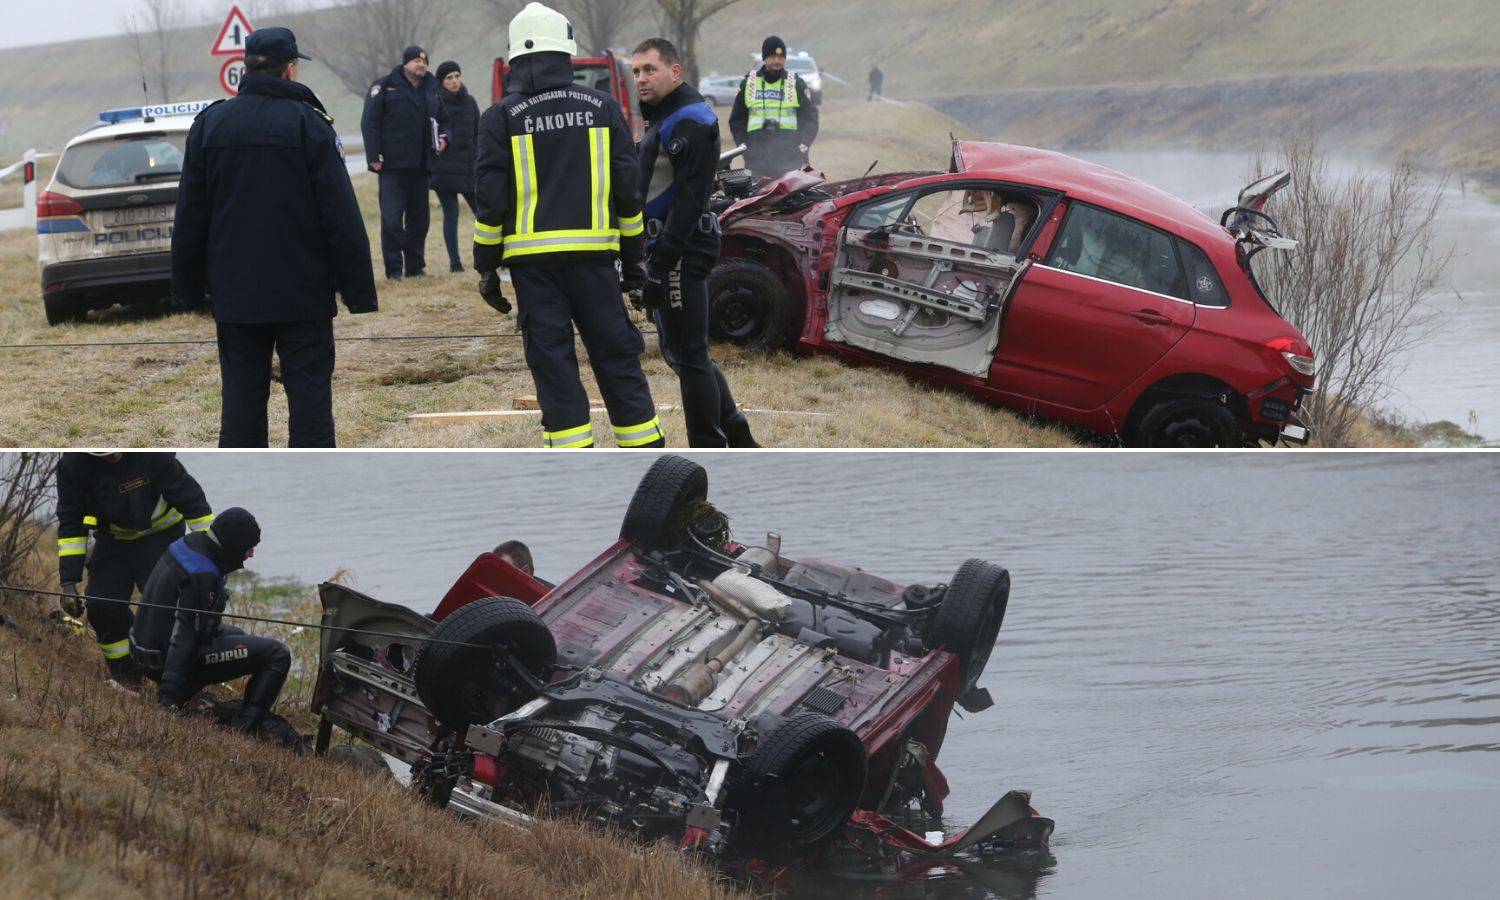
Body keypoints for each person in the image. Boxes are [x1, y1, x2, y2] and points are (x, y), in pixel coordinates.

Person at [172, 26, 377, 448]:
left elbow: (190, 219)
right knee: (311, 411)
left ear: (246, 68)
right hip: (304, 296)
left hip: (236, 298)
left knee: (241, 413)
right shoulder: (310, 124)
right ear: (290, 69)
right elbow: (340, 214)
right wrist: (358, 293)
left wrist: (188, 293)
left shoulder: (210, 126)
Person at [472, 2, 664, 449]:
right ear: (568, 53)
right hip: (596, 263)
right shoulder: (602, 107)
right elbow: (628, 197)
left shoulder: (500, 118)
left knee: (554, 367)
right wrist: (635, 265)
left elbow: (490, 203)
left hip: (533, 271)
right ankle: (644, 457)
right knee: (617, 359)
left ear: (515, 59)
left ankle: (574, 464)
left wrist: (486, 269)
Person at [631, 38, 758, 448]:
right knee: (688, 353)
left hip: (681, 247)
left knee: (688, 353)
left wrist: (661, 264)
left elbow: (686, 200)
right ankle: (737, 436)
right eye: (636, 72)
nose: (641, 79)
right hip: (672, 246)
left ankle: (709, 444)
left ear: (675, 71)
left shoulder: (689, 119)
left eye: (650, 69)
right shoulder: (666, 116)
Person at [55, 452, 214, 687]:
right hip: (114, 541)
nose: (114, 455)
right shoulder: (72, 467)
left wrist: (209, 564)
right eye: (104, 454)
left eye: (116, 449)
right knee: (101, 605)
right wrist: (69, 582)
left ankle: (177, 680)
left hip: (163, 537)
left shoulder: (154, 456)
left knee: (163, 609)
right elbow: (71, 524)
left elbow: (197, 507)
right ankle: (127, 678)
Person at [130, 508, 290, 734]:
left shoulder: (190, 543)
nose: (251, 554)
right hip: (163, 659)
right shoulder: (203, 574)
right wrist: (168, 700)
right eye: (249, 547)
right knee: (277, 654)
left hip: (143, 648)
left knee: (241, 638)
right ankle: (245, 729)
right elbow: (184, 636)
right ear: (233, 545)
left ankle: (198, 699)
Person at [363, 45, 448, 280]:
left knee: (419, 219)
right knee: (391, 218)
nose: (422, 65)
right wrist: (373, 156)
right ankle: (393, 270)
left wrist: (444, 138)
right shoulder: (385, 86)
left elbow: (444, 120)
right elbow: (370, 122)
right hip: (392, 165)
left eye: (425, 62)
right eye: (416, 62)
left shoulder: (433, 89)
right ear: (405, 64)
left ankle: (415, 267)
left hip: (422, 165)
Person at [729, 36, 819, 180]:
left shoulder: (795, 83)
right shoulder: (749, 84)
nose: (777, 61)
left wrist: (803, 144)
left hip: (790, 159)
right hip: (758, 159)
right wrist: (744, 146)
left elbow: (810, 118)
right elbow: (737, 120)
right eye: (772, 57)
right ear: (764, 58)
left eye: (781, 57)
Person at [429, 61, 481, 273]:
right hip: (445, 170)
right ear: (442, 81)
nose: (454, 81)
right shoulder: (435, 103)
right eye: (449, 78)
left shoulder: (470, 102)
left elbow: (479, 133)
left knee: (483, 214)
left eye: (457, 76)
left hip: (469, 168)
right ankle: (455, 262)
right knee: (451, 214)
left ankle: (491, 255)